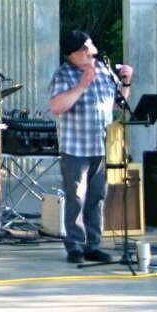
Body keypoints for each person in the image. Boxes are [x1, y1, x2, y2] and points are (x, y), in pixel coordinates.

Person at [48, 30, 133, 264]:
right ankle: (75, 245)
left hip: (101, 144)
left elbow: (118, 104)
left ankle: (92, 245)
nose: (88, 52)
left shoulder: (104, 70)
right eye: (82, 49)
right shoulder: (64, 74)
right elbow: (56, 106)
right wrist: (82, 85)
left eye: (89, 46)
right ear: (71, 55)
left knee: (97, 196)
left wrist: (125, 82)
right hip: (75, 146)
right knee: (75, 197)